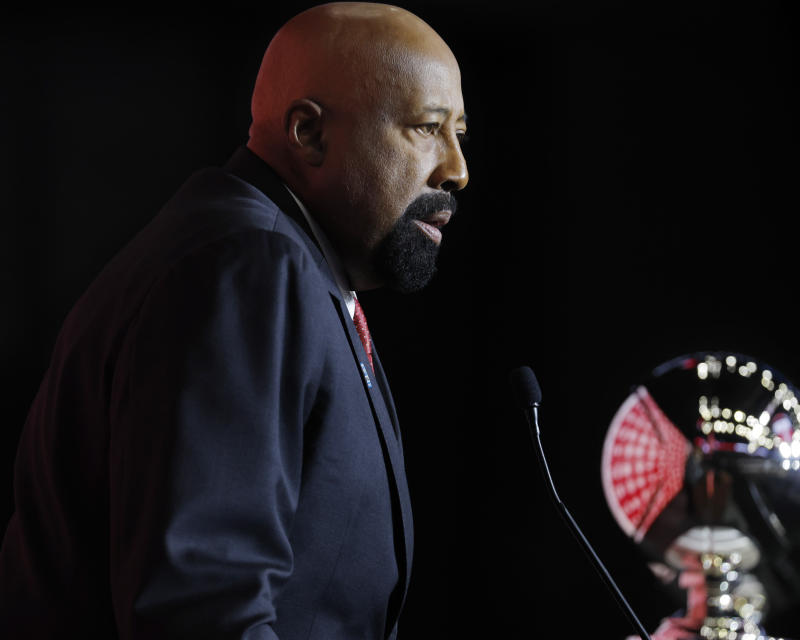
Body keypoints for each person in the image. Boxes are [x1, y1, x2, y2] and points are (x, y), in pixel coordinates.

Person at [0, 3, 468, 638]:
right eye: (427, 128)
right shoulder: (251, 267)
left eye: (459, 134)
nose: (457, 170)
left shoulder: (282, 264)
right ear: (309, 133)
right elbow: (204, 610)